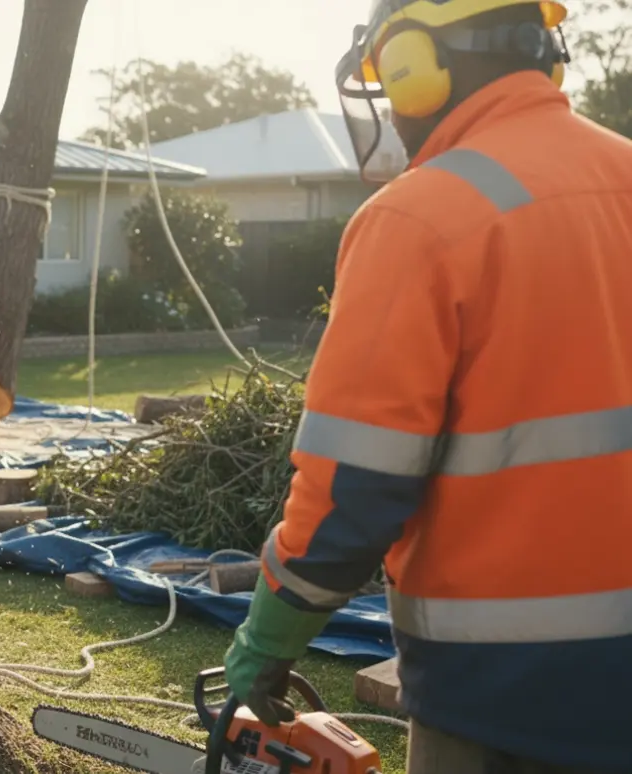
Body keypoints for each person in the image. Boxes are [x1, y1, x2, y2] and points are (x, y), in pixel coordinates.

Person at [221, 1, 632, 772]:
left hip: (505, 690)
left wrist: (270, 633)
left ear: (417, 68)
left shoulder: (422, 218)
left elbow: (356, 485)